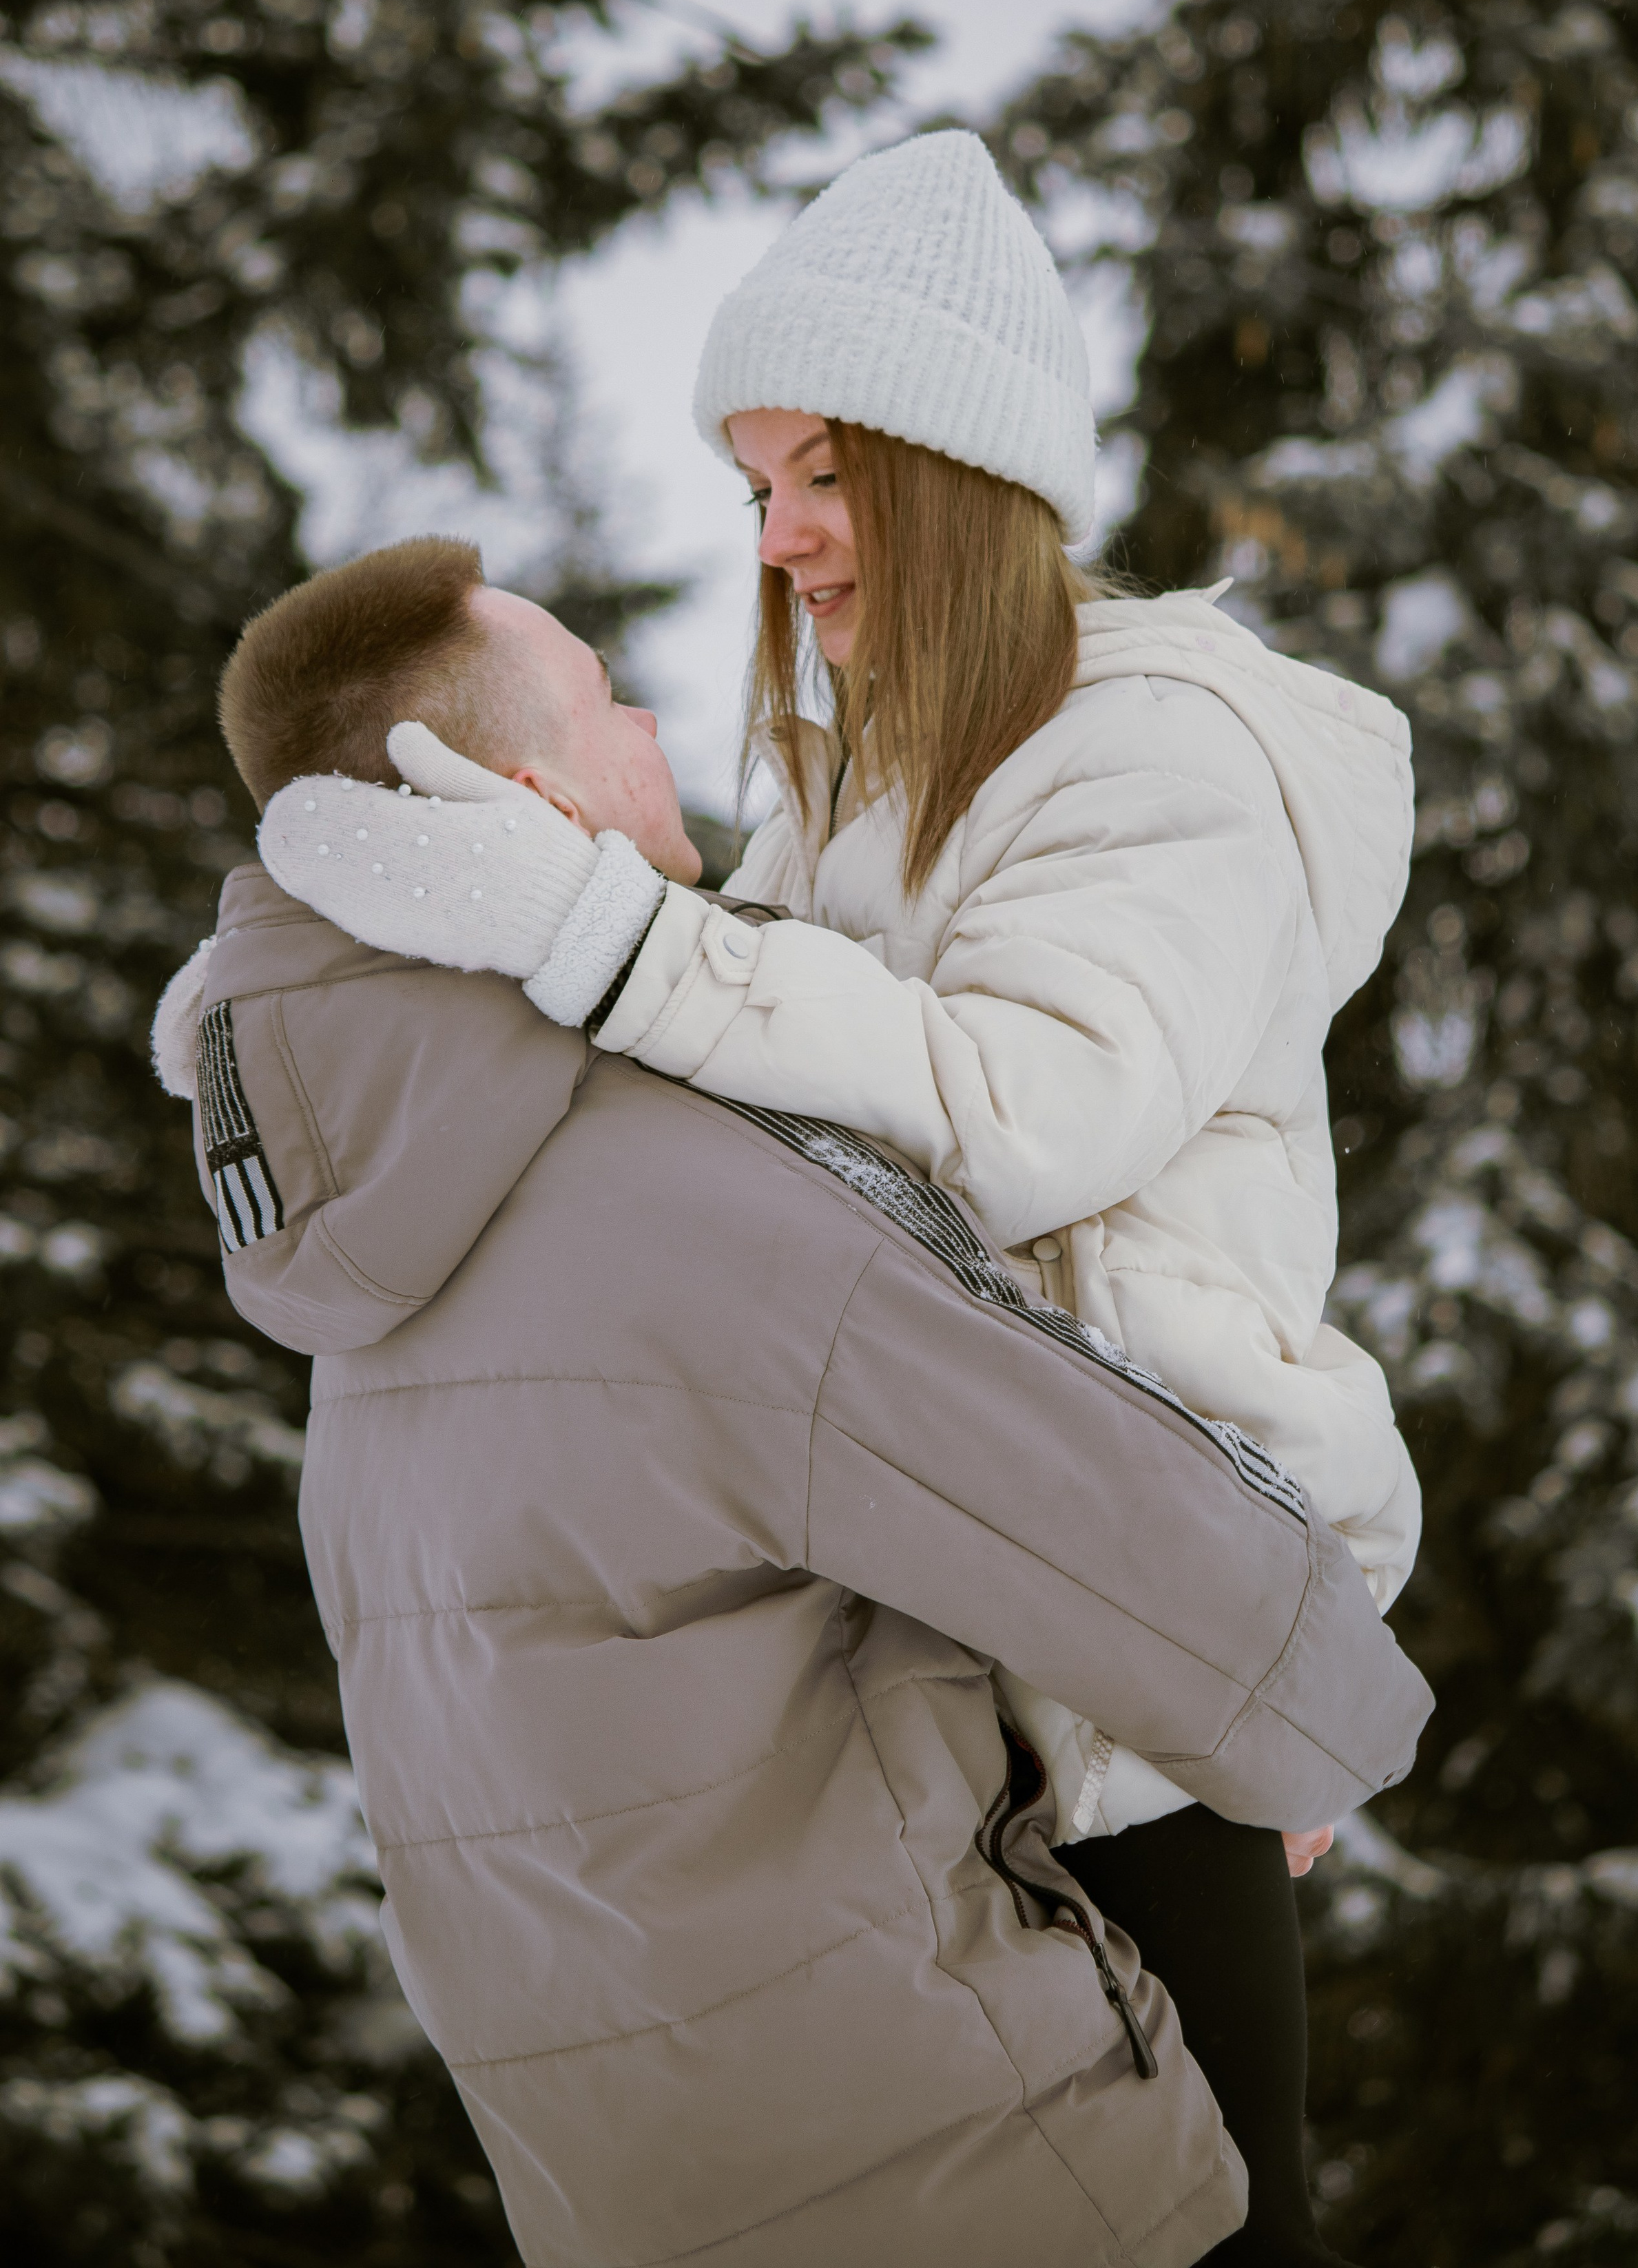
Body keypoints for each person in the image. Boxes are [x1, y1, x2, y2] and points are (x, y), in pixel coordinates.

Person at [246, 132, 1422, 2263]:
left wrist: (605, 932)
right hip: (966, 1681)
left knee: (1217, 2225)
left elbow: (1023, 1116)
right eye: (752, 489)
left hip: (1157, 1690)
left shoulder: (1151, 751)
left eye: (822, 473)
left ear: (956, 466)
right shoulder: (838, 797)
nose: (781, 538)